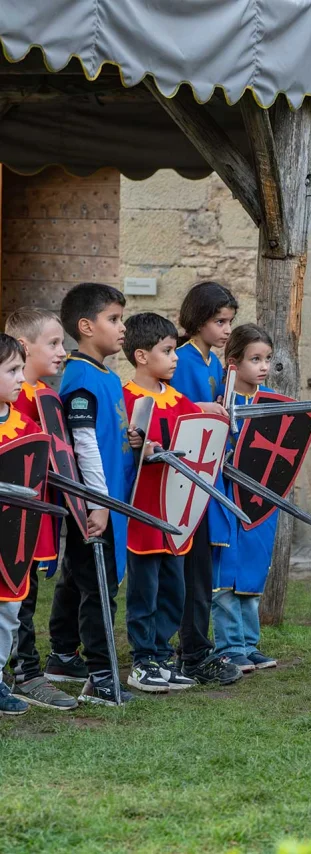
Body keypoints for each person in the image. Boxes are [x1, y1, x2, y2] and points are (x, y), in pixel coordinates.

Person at [48, 283, 137, 706]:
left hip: (103, 499)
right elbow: (82, 446)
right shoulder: (80, 377)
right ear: (86, 326)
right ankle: (101, 677)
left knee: (78, 574)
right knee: (98, 584)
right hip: (91, 502)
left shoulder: (104, 373)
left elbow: (103, 435)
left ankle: (63, 655)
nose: (122, 328)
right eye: (114, 319)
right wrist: (97, 504)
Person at [122, 312, 201, 692]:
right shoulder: (125, 399)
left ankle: (162, 655)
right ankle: (142, 660)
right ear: (141, 355)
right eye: (167, 351)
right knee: (144, 588)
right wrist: (137, 447)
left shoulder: (181, 400)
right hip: (143, 511)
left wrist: (212, 414)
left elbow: (199, 441)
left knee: (174, 588)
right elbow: (120, 453)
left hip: (177, 510)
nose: (175, 358)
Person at [3, 309, 77, 710]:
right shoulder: (19, 404)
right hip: (9, 518)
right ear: (23, 347)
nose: (62, 352)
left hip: (35, 514)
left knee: (23, 594)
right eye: (53, 343)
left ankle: (25, 670)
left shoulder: (46, 398)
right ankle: (22, 671)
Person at [170, 282, 242, 686]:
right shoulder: (178, 360)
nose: (227, 329)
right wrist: (201, 409)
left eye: (230, 321)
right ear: (198, 320)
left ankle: (195, 647)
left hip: (207, 478)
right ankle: (188, 651)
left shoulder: (214, 364)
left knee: (200, 570)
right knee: (184, 570)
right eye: (219, 321)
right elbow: (169, 410)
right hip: (182, 479)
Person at [212, 324, 279, 672]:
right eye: (256, 359)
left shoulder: (268, 405)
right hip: (225, 497)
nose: (264, 366)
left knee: (252, 573)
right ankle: (229, 645)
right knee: (226, 573)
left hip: (259, 500)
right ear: (234, 364)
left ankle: (249, 644)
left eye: (267, 359)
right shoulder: (220, 403)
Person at [0, 334, 40, 715]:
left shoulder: (26, 427)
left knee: (9, 610)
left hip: (12, 540)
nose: (20, 379)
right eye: (12, 370)